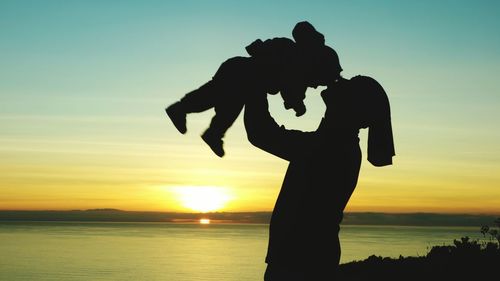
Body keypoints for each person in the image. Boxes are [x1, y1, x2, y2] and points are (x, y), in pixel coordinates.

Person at [244, 75, 395, 280]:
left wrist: (256, 79)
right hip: (309, 259)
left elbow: (260, 132)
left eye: (348, 85)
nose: (339, 81)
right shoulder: (337, 145)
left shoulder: (330, 147)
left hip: (299, 263)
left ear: (349, 106)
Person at [165, 21, 342, 157]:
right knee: (213, 97)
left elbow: (293, 87)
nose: (316, 86)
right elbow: (291, 89)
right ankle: (183, 111)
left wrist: (296, 101)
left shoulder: (297, 64)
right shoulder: (294, 62)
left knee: (226, 106)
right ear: (315, 68)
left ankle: (211, 131)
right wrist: (296, 104)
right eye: (319, 81)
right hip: (240, 72)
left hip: (247, 81)